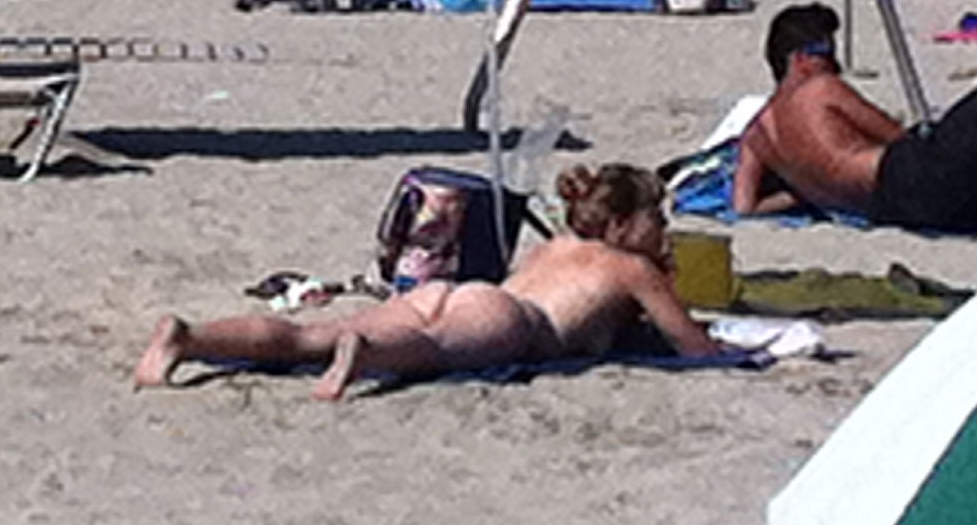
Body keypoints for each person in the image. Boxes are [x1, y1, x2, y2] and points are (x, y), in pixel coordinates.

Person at [134, 163, 724, 399]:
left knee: (308, 336)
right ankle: (364, 355)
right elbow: (694, 349)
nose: (665, 229)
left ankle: (188, 338)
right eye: (658, 218)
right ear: (624, 224)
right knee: (429, 351)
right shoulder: (634, 267)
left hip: (461, 291)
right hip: (513, 321)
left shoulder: (554, 245)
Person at [730, 3, 977, 243]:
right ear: (799, 58)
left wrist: (801, 190)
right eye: (826, 52)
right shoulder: (820, 90)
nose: (833, 64)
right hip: (911, 177)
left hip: (892, 211)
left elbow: (745, 208)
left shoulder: (756, 136)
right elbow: (899, 138)